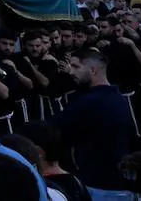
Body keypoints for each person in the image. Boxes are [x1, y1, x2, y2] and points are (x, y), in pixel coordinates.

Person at [52, 47, 134, 193]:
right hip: (114, 182)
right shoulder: (117, 97)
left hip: (98, 185)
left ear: (93, 70)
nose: (71, 72)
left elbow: (55, 128)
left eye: (76, 66)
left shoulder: (89, 102)